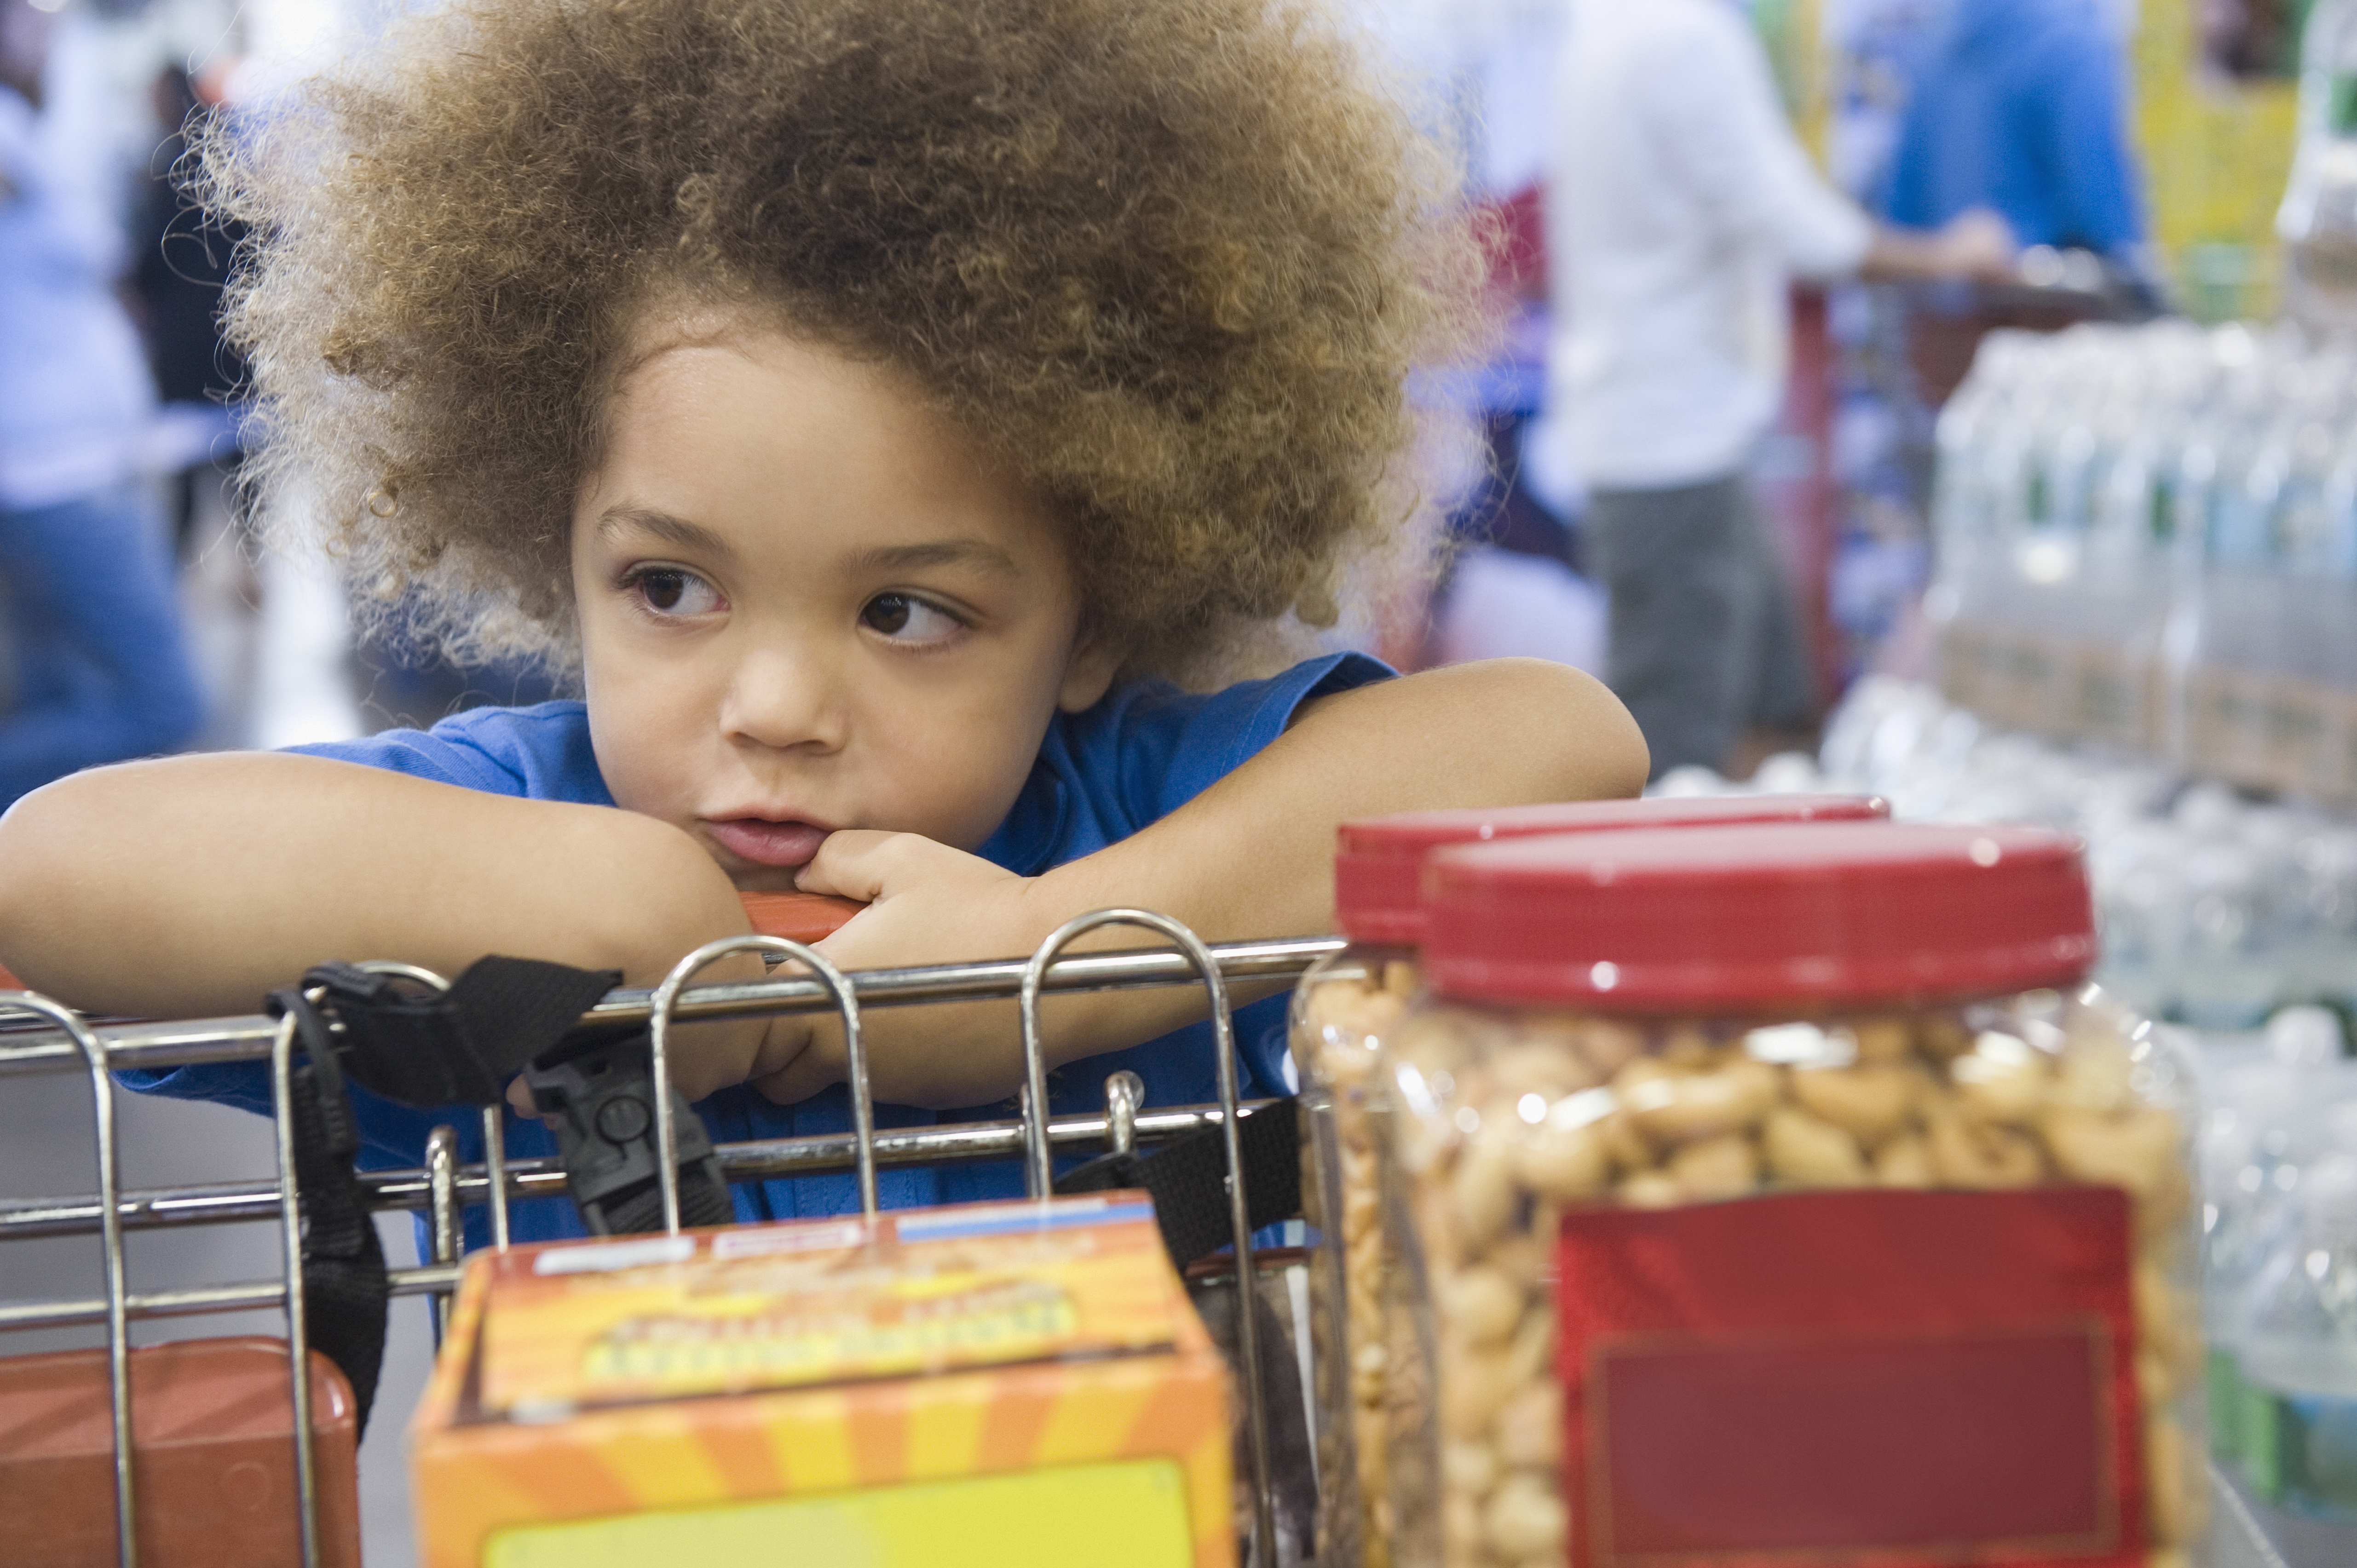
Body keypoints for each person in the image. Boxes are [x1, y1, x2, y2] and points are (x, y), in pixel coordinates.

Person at [0, 0, 1648, 1239]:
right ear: (554, 549)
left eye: (905, 608)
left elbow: (1566, 743)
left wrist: (1064, 952)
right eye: (669, 588)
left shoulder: (1121, 803)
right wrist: (613, 902)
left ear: (1090, 616)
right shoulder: (518, 822)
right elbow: (55, 871)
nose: (775, 703)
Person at [1532, 0, 2014, 780]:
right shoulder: (1680, 36)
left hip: (1669, 437)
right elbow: (1794, 226)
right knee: (1670, 759)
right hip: (1670, 445)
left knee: (1765, 721)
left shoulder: (1610, 26)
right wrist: (1948, 257)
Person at [0, 0, 204, 811]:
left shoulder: (31, 122)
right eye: (24, 14)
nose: (45, 27)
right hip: (57, 472)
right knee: (164, 699)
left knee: (59, 694)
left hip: (65, 462)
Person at [1883, 0, 2145, 261]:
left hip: (1938, 295)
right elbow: (2108, 225)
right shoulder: (2072, 42)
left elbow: (1901, 215)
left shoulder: (1935, 42)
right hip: (2049, 294)